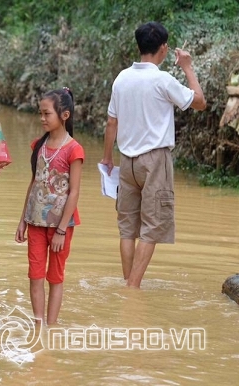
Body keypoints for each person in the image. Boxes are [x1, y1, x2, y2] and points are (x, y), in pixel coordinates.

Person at [100, 21, 206, 288]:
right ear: (164, 48)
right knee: (151, 226)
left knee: (127, 228)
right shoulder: (162, 79)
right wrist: (187, 67)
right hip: (155, 161)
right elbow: (200, 103)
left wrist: (107, 158)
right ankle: (132, 288)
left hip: (127, 162)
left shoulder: (121, 78)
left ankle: (128, 283)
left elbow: (111, 122)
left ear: (138, 46)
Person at [15, 88, 85, 325]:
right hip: (35, 222)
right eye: (40, 113)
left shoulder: (74, 149)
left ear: (64, 115)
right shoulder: (38, 146)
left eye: (47, 114)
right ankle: (38, 327)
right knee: (35, 276)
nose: (42, 118)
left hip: (60, 227)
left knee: (55, 277)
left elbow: (74, 191)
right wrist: (23, 219)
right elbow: (34, 183)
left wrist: (62, 231)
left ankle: (51, 326)